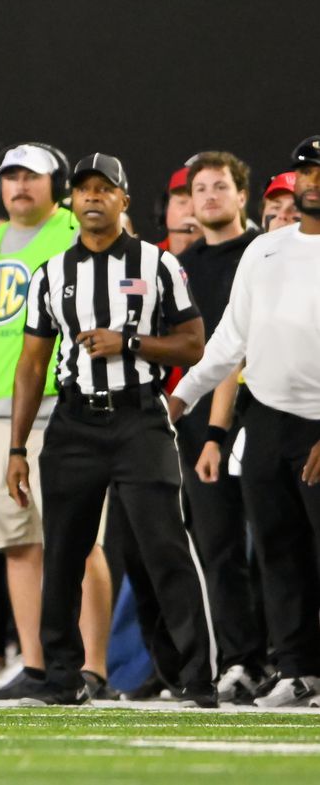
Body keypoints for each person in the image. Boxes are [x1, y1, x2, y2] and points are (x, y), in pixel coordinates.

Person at [7, 153, 215, 707]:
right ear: (72, 203)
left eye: (105, 189)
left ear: (124, 199)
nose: (93, 197)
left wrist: (129, 343)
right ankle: (61, 676)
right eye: (83, 190)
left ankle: (197, 677)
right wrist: (16, 447)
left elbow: (194, 344)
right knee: (64, 554)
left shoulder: (158, 264)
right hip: (73, 422)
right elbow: (30, 364)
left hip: (139, 418)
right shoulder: (51, 273)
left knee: (164, 547)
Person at [170, 135, 320, 708]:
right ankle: (299, 668)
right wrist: (181, 399)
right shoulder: (265, 251)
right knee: (278, 552)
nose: (313, 181)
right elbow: (231, 339)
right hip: (269, 420)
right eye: (305, 171)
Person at [0, 145, 112, 700]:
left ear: (57, 183)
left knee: (79, 544)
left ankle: (91, 667)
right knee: (17, 543)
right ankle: (37, 664)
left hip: (62, 406)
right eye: (10, 176)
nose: (20, 185)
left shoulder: (79, 229)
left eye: (33, 176)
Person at [174, 151, 268, 702]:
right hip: (197, 428)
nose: (209, 195)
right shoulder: (183, 265)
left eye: (220, 186)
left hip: (258, 417)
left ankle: (293, 657)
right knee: (218, 547)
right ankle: (241, 661)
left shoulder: (263, 253)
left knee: (281, 546)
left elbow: (238, 350)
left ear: (241, 195)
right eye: (200, 188)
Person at [157, 166, 203, 256]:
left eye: (200, 203)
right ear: (164, 210)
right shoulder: (144, 259)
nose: (190, 212)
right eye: (182, 202)